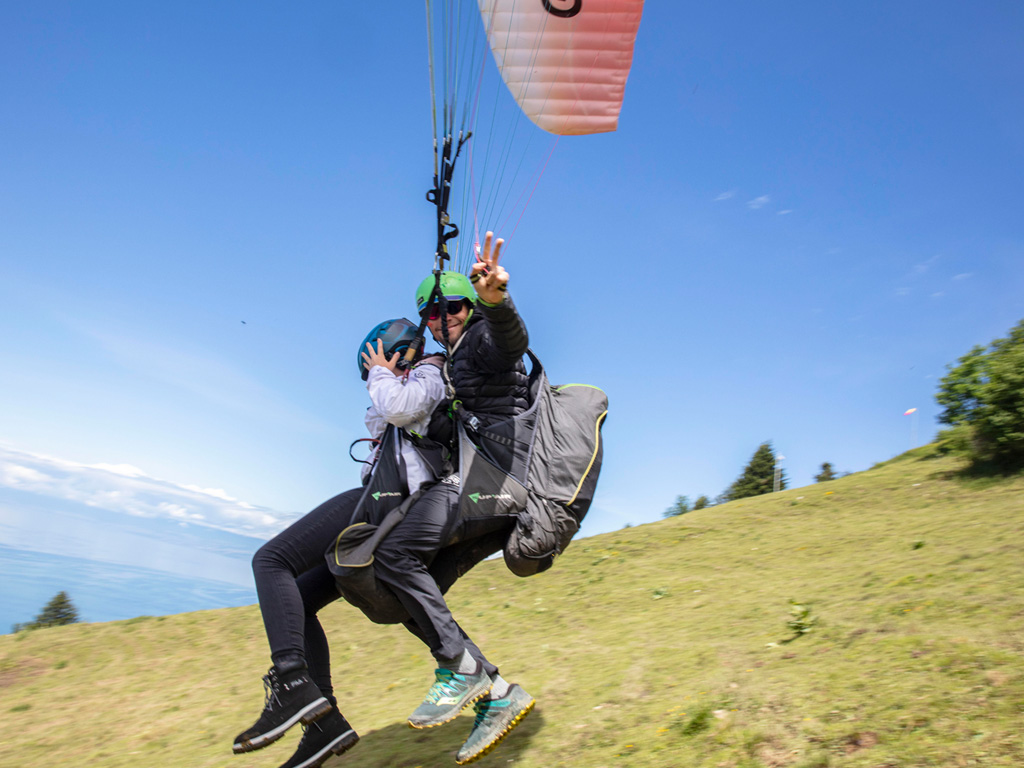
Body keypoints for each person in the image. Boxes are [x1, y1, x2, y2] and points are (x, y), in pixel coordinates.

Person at [231, 318, 446, 768]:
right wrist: (386, 374)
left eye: (376, 361)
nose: (372, 373)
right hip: (385, 498)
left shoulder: (430, 371)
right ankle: (323, 724)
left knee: (271, 561)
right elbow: (387, 416)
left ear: (401, 353)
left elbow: (400, 409)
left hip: (390, 501)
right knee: (301, 597)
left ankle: (292, 682)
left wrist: (384, 372)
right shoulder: (406, 378)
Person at [394, 231, 535, 765]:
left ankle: (460, 669)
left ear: (469, 308)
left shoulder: (479, 339)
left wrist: (497, 302)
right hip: (486, 484)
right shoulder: (451, 362)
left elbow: (508, 345)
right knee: (411, 595)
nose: (442, 318)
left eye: (452, 306)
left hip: (495, 481)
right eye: (431, 312)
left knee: (395, 553)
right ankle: (496, 694)